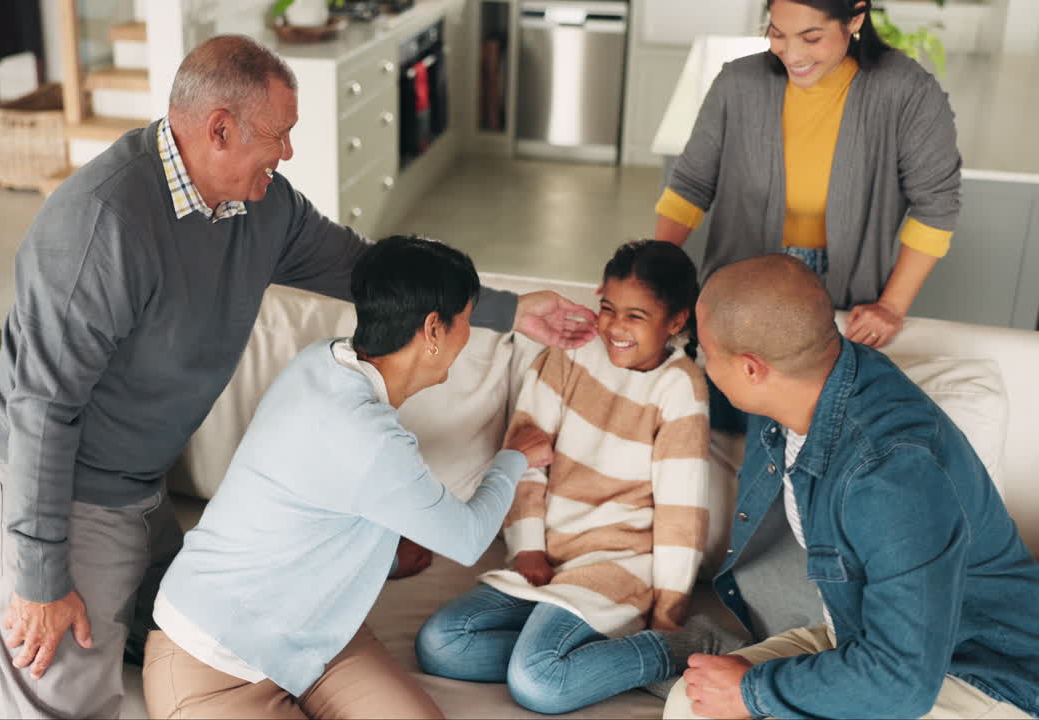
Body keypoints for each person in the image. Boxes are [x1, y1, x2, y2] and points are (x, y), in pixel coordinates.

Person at [0, 35, 597, 720]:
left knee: (177, 628)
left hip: (136, 483)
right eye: (279, 134)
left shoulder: (263, 207)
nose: (289, 152)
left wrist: (508, 309)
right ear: (219, 129)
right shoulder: (101, 226)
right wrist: (38, 579)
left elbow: (371, 273)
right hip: (56, 478)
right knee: (62, 695)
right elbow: (42, 408)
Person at [141, 235, 555, 719]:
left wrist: (385, 556)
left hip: (319, 640)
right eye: (465, 319)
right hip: (212, 662)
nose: (468, 334)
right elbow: (466, 538)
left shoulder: (321, 359)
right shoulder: (370, 438)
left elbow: (319, 492)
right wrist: (514, 458)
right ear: (433, 329)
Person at [665, 254, 1039, 719]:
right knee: (693, 704)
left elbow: (902, 681)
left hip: (973, 673)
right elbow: (714, 398)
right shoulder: (808, 377)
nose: (702, 362)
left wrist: (751, 692)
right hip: (858, 636)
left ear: (751, 369)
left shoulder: (889, 474)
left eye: (704, 351)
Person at [415, 240, 713, 715]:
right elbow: (524, 453)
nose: (615, 326)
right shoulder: (573, 351)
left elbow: (683, 511)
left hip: (618, 567)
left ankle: (677, 649)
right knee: (440, 644)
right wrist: (528, 546)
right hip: (550, 563)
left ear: (675, 322)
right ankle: (590, 659)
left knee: (538, 684)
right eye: (608, 309)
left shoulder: (680, 387)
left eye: (635, 316)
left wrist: (668, 614)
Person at [655, 0, 961, 350]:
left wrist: (892, 305)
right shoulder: (737, 83)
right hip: (738, 285)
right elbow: (691, 186)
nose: (792, 54)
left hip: (844, 293)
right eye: (777, 34)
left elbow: (936, 205)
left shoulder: (908, 92)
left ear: (856, 18)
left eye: (811, 38)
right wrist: (652, 275)